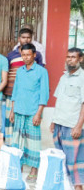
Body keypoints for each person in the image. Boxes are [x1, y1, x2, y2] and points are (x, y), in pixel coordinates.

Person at [9, 43, 49, 183]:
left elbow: (44, 95)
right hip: (19, 110)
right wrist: (12, 110)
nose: (25, 57)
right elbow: (15, 92)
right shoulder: (20, 71)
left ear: (34, 55)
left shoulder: (41, 71)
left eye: (28, 55)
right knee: (17, 141)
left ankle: (34, 169)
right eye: (23, 55)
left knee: (33, 142)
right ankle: (18, 165)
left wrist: (39, 113)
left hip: (33, 112)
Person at [3, 28, 44, 145]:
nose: (26, 40)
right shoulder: (11, 55)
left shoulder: (37, 55)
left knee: (27, 122)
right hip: (12, 93)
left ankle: (24, 146)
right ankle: (11, 145)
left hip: (30, 95)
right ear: (19, 38)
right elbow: (6, 73)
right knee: (10, 120)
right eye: (23, 37)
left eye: (28, 37)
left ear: (32, 39)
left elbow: (40, 74)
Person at [51, 48, 84, 189]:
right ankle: (65, 184)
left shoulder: (82, 78)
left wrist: (78, 126)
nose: (69, 60)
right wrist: (53, 121)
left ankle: (78, 186)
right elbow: (59, 101)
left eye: (73, 57)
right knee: (61, 157)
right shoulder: (63, 77)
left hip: (72, 125)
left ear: (80, 59)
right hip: (59, 123)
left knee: (75, 159)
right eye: (68, 57)